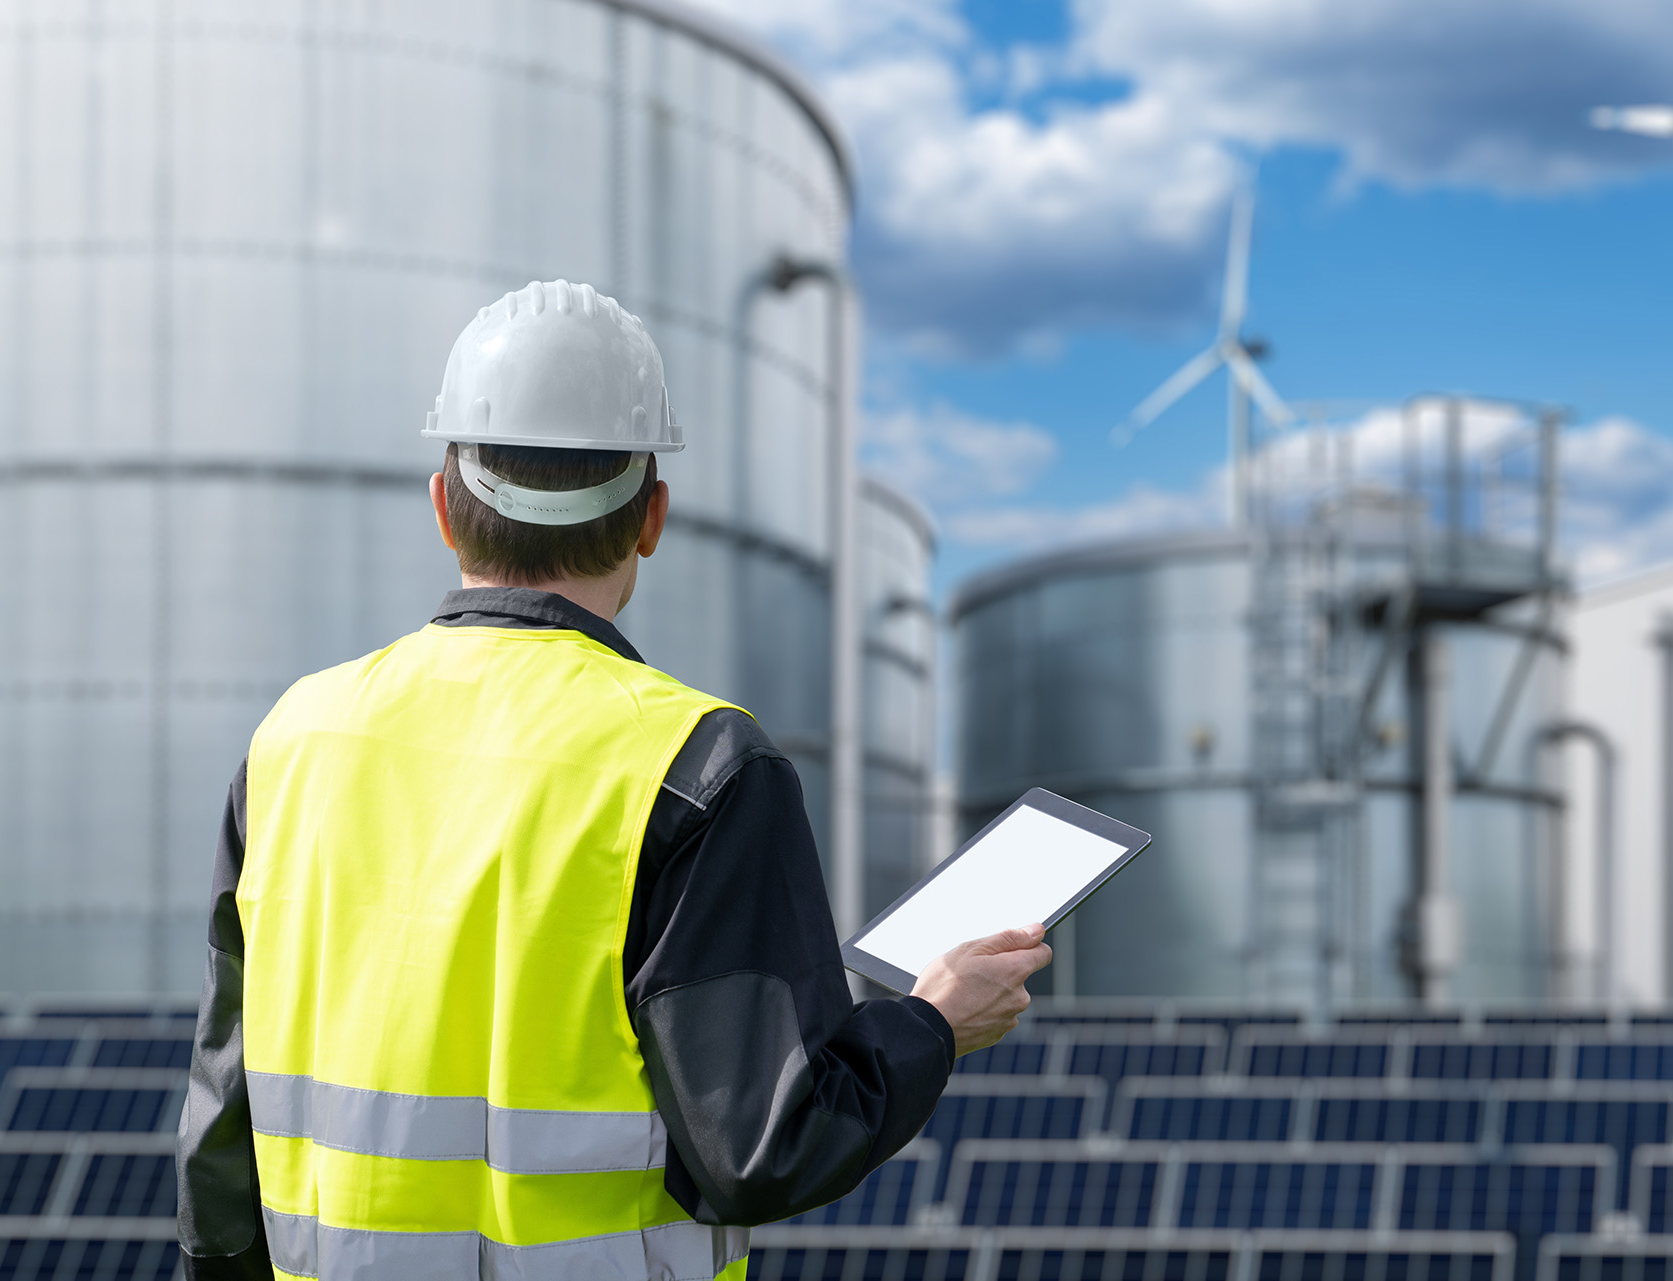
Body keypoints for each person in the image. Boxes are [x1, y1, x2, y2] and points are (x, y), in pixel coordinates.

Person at [176, 279, 1052, 1280]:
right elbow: (768, 1144)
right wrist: (933, 1022)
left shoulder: (293, 737)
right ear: (654, 518)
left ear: (442, 506)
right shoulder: (700, 767)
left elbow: (218, 1129)